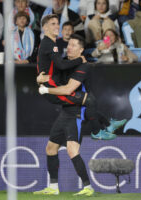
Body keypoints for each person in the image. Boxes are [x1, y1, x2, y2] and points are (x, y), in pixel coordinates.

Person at [34, 34, 95, 196]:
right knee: (50, 148)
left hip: (77, 111)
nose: (69, 47)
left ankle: (88, 187)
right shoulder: (65, 65)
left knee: (72, 149)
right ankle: (53, 188)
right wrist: (39, 79)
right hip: (65, 111)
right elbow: (49, 79)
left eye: (74, 45)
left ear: (81, 50)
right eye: (68, 45)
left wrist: (46, 90)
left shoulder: (84, 66)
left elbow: (68, 89)